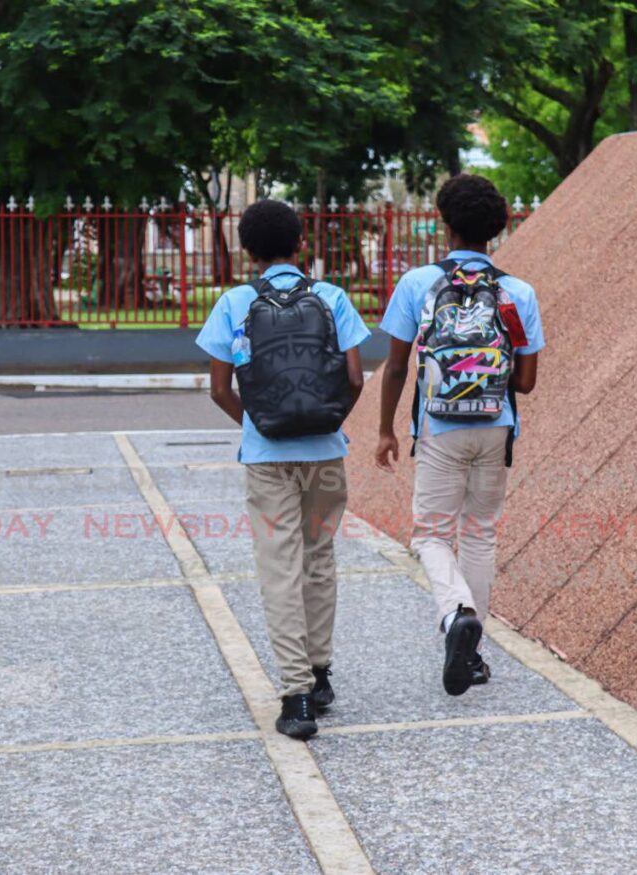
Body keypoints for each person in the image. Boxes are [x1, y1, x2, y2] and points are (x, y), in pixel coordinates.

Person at [198, 199, 370, 740]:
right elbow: (357, 379)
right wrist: (327, 421)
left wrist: (261, 423)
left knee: (279, 567)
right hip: (325, 454)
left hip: (267, 457)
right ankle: (320, 676)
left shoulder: (234, 301)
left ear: (248, 251)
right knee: (319, 557)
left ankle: (295, 696)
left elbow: (219, 388)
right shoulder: (332, 297)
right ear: (301, 244)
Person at [374, 174, 544, 696]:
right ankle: (472, 656)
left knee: (430, 533)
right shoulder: (516, 292)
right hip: (496, 427)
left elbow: (397, 367)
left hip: (439, 427)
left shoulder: (418, 283)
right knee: (480, 533)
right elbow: (527, 382)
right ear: (496, 230)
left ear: (445, 226)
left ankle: (455, 615)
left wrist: (385, 429)